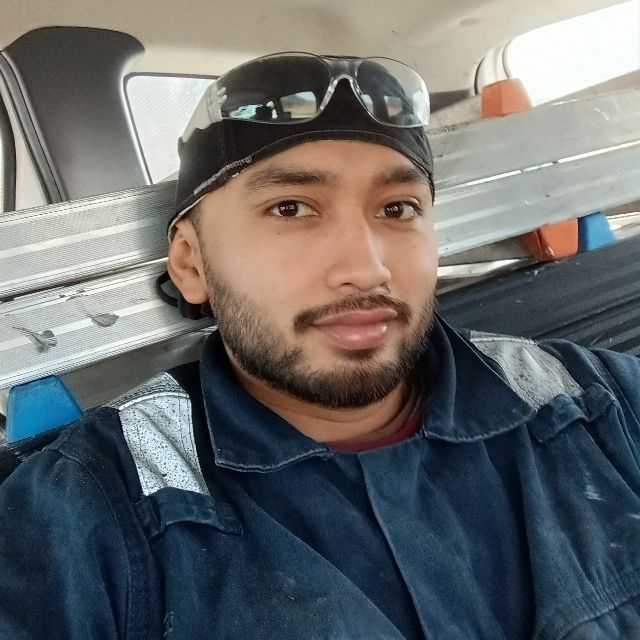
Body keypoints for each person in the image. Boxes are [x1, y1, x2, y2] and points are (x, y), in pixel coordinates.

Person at [1, 52, 640, 639]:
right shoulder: (87, 511)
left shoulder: (599, 403)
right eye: (291, 208)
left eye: (398, 210)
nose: (366, 269)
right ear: (192, 265)